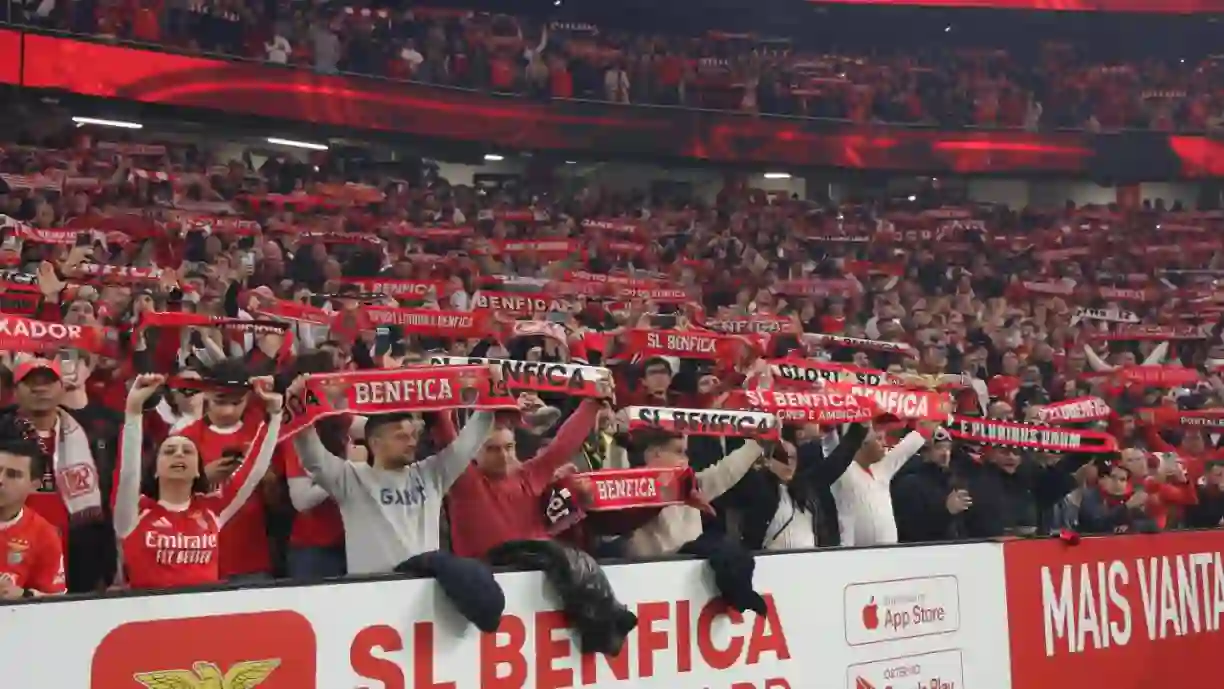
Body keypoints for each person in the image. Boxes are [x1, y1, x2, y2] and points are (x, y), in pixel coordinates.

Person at [290, 366, 501, 575]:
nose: (411, 442)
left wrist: (492, 393)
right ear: (375, 443)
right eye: (401, 436)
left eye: (413, 435)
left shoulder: (431, 474)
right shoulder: (352, 479)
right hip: (374, 595)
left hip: (427, 592)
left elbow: (468, 444)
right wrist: (298, 407)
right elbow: (312, 456)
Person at [114, 374, 283, 589]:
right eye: (169, 451)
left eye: (187, 451)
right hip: (152, 620)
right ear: (155, 469)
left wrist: (275, 413)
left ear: (197, 470)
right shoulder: (134, 513)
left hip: (204, 620)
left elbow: (254, 469)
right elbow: (128, 472)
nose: (179, 455)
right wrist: (134, 410)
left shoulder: (213, 510)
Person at [447, 395, 604, 559]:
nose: (503, 455)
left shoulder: (530, 474)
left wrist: (593, 404)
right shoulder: (466, 483)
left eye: (508, 447)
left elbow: (563, 445)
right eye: (493, 449)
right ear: (474, 452)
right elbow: (446, 439)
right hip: (486, 577)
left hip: (538, 574)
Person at [6, 357, 114, 592]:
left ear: (62, 388)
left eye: (48, 382)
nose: (40, 388)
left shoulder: (92, 434)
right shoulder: (3, 433)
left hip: (78, 547)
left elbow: (105, 496)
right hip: (14, 546)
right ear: (15, 391)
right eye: (31, 382)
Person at [831, 422, 934, 547]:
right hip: (855, 555)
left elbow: (906, 448)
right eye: (879, 439)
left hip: (889, 554)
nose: (885, 444)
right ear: (863, 443)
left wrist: (933, 417)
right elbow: (832, 449)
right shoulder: (844, 471)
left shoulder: (882, 469)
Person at [0, 415, 66, 599]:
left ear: (34, 485)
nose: (0, 481)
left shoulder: (44, 535)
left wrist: (21, 595)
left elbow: (57, 601)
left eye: (13, 475)